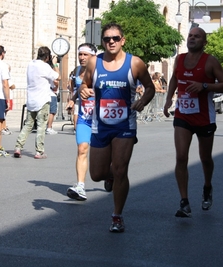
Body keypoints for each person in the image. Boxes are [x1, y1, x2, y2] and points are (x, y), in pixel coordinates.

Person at [80, 23, 155, 232]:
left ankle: (117, 215)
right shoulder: (94, 63)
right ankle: (111, 175)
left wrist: (143, 101)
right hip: (100, 125)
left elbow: (149, 87)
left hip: (125, 125)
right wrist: (84, 90)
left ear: (122, 40)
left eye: (115, 38)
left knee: (122, 169)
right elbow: (84, 84)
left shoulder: (136, 63)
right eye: (106, 39)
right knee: (96, 174)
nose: (111, 42)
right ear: (102, 42)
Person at [163, 27, 223, 218]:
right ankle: (184, 201)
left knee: (205, 158)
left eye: (197, 36)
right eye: (190, 35)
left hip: (204, 117)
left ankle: (207, 186)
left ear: (204, 42)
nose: (192, 38)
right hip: (183, 114)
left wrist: (205, 86)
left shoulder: (210, 61)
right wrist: (168, 99)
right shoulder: (180, 58)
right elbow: (175, 78)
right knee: (181, 157)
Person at [13, 46, 60, 159]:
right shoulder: (45, 66)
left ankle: (18, 147)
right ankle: (39, 151)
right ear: (47, 57)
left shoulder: (31, 64)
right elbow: (58, 76)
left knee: (28, 124)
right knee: (41, 126)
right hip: (43, 100)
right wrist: (55, 64)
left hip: (31, 100)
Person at [65, 43, 97, 201]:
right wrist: (72, 99)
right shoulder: (77, 71)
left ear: (93, 56)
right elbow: (77, 89)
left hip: (101, 118)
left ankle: (110, 173)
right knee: (82, 149)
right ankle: (80, 186)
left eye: (86, 54)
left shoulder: (100, 70)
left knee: (102, 161)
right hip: (85, 117)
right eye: (80, 54)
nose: (82, 58)